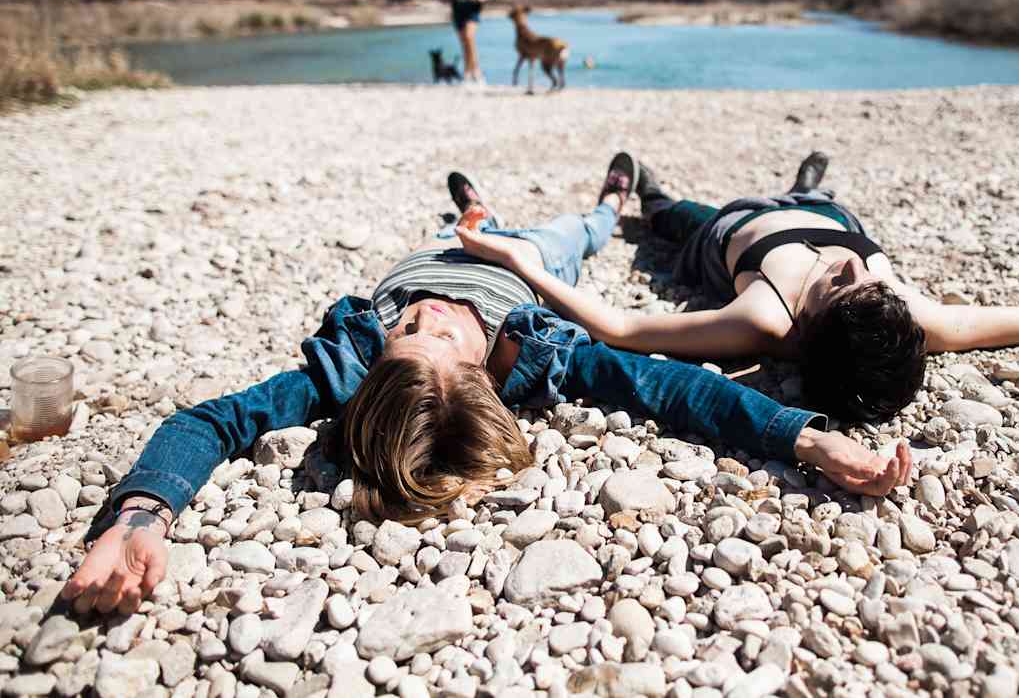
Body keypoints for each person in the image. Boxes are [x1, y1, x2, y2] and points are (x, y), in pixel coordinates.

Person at [62, 154, 912, 616]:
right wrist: (805, 434)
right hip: (525, 269)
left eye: (412, 335)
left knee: (502, 229)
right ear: (478, 379)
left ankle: (522, 205)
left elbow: (212, 419)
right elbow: (673, 392)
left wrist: (138, 511)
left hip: (450, 242)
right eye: (431, 336)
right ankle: (599, 201)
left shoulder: (356, 363)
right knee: (569, 240)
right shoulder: (535, 358)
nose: (428, 317)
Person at [458, 151, 1019, 425]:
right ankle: (806, 184)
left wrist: (520, 260)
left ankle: (647, 195)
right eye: (859, 278)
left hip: (728, 233)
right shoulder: (904, 317)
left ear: (808, 330)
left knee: (673, 222)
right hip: (814, 209)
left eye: (843, 286)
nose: (850, 267)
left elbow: (627, 328)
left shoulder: (763, 317)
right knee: (807, 202)